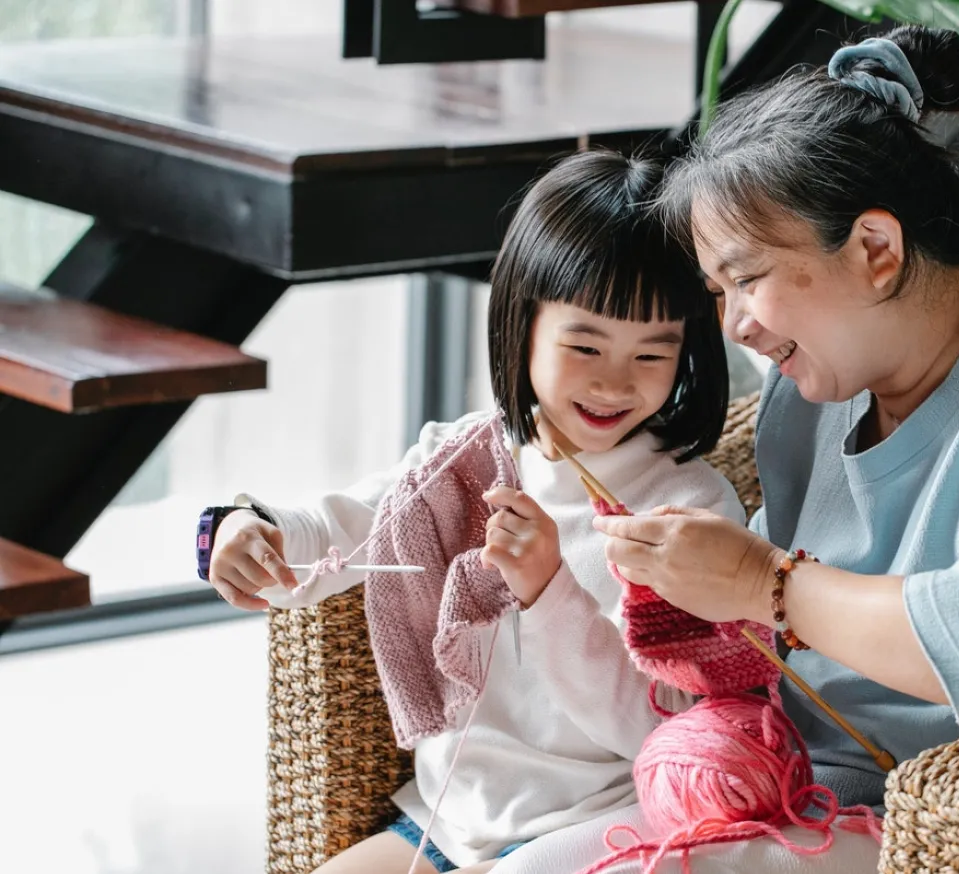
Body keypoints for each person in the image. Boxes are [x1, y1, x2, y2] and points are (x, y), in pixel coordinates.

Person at [498, 25, 959, 874]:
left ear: (876, 252)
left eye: (746, 279)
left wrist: (758, 583)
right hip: (800, 782)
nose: (734, 324)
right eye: (718, 291)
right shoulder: (817, 389)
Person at [200, 150, 745, 874]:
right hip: (447, 823)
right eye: (584, 345)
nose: (615, 381)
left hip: (600, 828)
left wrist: (551, 590)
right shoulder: (460, 462)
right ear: (522, 327)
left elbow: (658, 725)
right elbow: (337, 533)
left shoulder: (688, 511)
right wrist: (239, 530)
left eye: (653, 355)